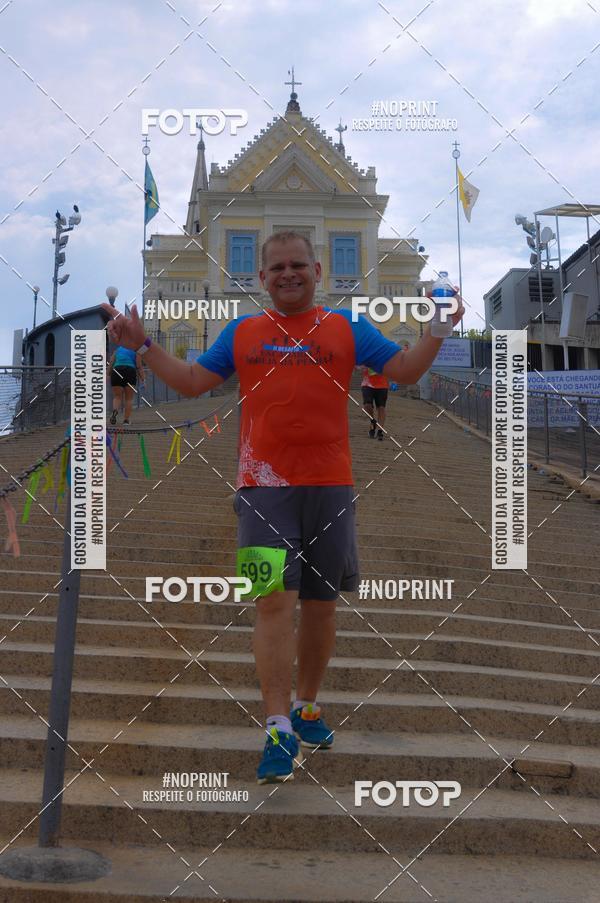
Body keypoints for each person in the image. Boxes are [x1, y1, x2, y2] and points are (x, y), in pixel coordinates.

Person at [102, 231, 464, 784]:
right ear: (261, 278)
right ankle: (277, 727)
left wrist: (438, 328)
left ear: (317, 271)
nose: (288, 274)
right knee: (271, 603)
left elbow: (406, 371)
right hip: (261, 490)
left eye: (298, 265)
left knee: (321, 605)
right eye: (276, 267)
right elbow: (194, 382)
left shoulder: (347, 327)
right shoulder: (242, 331)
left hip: (331, 488)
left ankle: (307, 708)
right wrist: (144, 345)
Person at [108, 345, 144, 424]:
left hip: (117, 370)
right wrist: (143, 378)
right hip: (130, 371)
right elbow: (139, 365)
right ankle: (126, 420)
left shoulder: (118, 349)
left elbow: (111, 362)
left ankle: (115, 411)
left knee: (117, 396)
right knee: (128, 398)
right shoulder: (136, 350)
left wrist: (108, 374)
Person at [361, 366, 389, 440]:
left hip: (382, 385)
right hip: (367, 384)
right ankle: (372, 421)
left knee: (381, 407)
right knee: (367, 405)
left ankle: (380, 431)